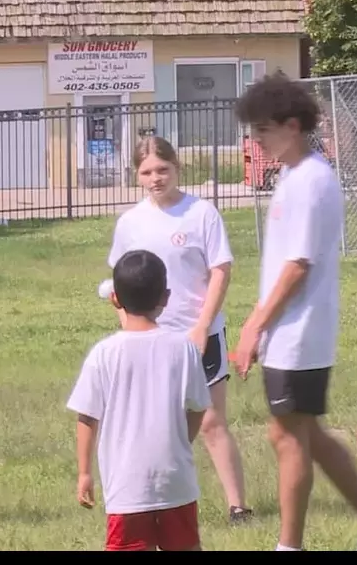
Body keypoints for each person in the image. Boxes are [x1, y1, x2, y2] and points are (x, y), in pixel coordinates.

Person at [230, 73, 357, 551]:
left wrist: (253, 326)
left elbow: (297, 268)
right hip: (289, 332)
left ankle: (290, 545)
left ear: (292, 125)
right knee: (304, 432)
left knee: (288, 438)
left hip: (300, 332)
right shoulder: (292, 177)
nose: (256, 141)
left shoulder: (311, 179)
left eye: (262, 130)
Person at [105, 136, 252, 524]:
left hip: (198, 334)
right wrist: (129, 327)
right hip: (152, 337)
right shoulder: (131, 222)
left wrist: (203, 326)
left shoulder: (201, 213)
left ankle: (239, 506)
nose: (156, 178)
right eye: (147, 172)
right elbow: (119, 280)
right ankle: (153, 499)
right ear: (137, 175)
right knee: (154, 421)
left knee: (210, 421)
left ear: (177, 169)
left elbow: (221, 270)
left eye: (162, 170)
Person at [70, 249, 210, 551]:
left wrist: (84, 473)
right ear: (166, 297)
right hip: (176, 480)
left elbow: (86, 416)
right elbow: (199, 407)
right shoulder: (183, 349)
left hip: (126, 484)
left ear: (114, 299)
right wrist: (180, 440)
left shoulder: (104, 354)